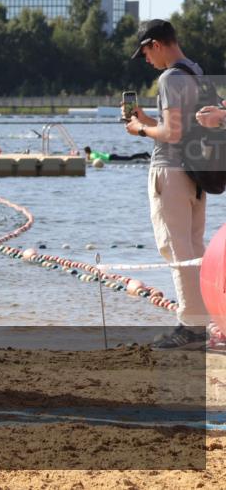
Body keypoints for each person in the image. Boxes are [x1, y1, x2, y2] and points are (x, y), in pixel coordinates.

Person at [124, 19, 209, 349]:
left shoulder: (170, 76)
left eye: (145, 52)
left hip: (170, 172)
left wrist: (141, 130)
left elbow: (171, 134)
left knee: (175, 249)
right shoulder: (194, 71)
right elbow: (183, 125)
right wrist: (149, 120)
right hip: (196, 173)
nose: (147, 60)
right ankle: (203, 318)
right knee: (195, 247)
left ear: (156, 44)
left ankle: (191, 326)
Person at [83, 146, 150, 162]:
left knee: (129, 158)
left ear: (86, 152)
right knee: (130, 158)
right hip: (111, 156)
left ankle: (144, 154)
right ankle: (143, 156)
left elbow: (97, 160)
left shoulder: (92, 155)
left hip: (111, 158)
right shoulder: (93, 152)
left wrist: (90, 160)